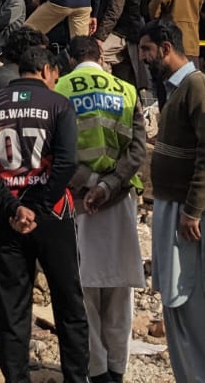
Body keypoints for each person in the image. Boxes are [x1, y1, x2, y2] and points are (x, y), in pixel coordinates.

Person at [0, 43, 88, 383]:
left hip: (5, 217)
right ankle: (76, 379)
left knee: (12, 308)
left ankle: (16, 379)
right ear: (48, 71)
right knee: (69, 303)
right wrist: (35, 207)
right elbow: (66, 163)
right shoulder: (59, 105)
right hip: (53, 214)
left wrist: (14, 207)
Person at [138, 21, 205, 383]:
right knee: (177, 304)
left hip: (190, 217)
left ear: (165, 48)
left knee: (195, 302)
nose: (143, 58)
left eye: (147, 50)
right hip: (175, 210)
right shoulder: (177, 90)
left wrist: (193, 210)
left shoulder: (198, 88)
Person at [54, 36, 148, 383]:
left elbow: (57, 153)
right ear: (101, 58)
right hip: (120, 199)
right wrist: (109, 184)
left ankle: (96, 370)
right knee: (120, 290)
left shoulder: (60, 88)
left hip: (79, 200)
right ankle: (117, 369)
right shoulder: (126, 89)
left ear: (69, 58)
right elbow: (139, 150)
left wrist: (91, 181)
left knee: (84, 291)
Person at [94, 0, 146, 93]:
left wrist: (100, 37)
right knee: (125, 78)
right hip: (122, 31)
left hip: (123, 32)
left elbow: (114, 10)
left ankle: (105, 93)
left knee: (97, 55)